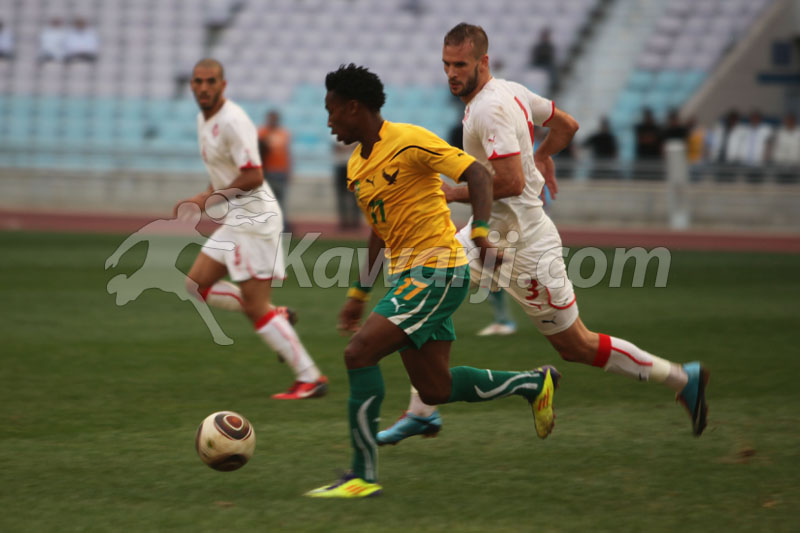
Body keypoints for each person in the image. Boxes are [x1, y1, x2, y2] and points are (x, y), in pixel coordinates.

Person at [377, 23, 708, 446]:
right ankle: (424, 410)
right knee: (428, 282)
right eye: (446, 65)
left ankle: (682, 378)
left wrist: (453, 192)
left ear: (483, 62)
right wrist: (544, 155)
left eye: (460, 65)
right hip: (489, 236)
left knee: (576, 346)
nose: (451, 74)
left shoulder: (489, 109)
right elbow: (566, 125)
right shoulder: (512, 91)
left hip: (525, 245)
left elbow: (512, 183)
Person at [305, 64, 560, 498]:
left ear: (353, 107)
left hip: (437, 271)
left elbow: (477, 174)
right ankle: (533, 383)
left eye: (332, 111)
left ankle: (361, 477)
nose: (328, 121)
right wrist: (358, 293)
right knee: (435, 388)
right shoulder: (355, 166)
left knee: (359, 353)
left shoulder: (409, 139)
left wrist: (479, 233)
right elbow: (378, 230)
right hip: (408, 277)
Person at [174, 58, 328, 400]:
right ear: (192, 86)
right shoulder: (204, 119)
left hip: (253, 220)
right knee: (196, 285)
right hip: (236, 220)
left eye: (211, 81)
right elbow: (223, 171)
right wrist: (204, 195)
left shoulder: (232, 121)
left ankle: (310, 377)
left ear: (223, 85)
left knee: (255, 305)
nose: (203, 87)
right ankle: (278, 317)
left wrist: (207, 201)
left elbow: (253, 175)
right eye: (198, 81)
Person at [449, 99, 517, 336]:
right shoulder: (496, 145)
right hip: (497, 215)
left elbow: (505, 185)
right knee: (490, 267)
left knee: (448, 263)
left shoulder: (499, 147)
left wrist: (453, 194)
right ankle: (504, 320)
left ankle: (429, 319)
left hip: (507, 217)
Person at [257, 110, 292, 230]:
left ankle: (281, 225)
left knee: (281, 200)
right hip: (267, 171)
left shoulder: (284, 133)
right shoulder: (262, 133)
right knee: (267, 200)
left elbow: (287, 153)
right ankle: (267, 224)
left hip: (280, 171)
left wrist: (289, 170)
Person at [332, 137, 361, 230]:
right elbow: (337, 147)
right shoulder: (336, 135)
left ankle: (355, 221)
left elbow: (357, 146)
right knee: (341, 196)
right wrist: (350, 147)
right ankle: (344, 221)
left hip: (352, 167)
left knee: (354, 195)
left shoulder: (355, 134)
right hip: (341, 166)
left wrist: (346, 148)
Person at [770, 112, 800, 183]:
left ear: (794, 121)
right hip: (781, 165)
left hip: (795, 166)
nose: (789, 122)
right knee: (781, 186)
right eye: (787, 120)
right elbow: (775, 147)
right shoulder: (780, 132)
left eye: (791, 120)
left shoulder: (798, 132)